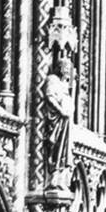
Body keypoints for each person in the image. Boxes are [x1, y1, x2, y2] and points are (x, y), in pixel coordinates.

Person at [43, 54, 75, 188]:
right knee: (56, 148)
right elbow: (50, 97)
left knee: (64, 151)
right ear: (59, 67)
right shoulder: (53, 79)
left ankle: (61, 177)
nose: (68, 71)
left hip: (66, 123)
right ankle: (53, 176)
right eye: (66, 67)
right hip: (57, 121)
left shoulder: (64, 84)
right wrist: (61, 111)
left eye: (70, 68)